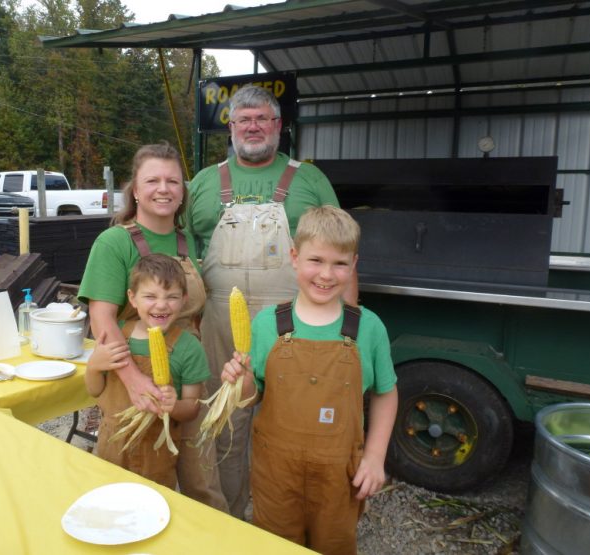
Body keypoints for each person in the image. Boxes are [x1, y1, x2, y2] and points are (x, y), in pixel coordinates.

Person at [186, 84, 356, 518]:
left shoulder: (309, 179)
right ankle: (226, 516)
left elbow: (344, 255)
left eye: (263, 118)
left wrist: (350, 327)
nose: (253, 127)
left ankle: (283, 519)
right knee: (224, 422)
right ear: (232, 127)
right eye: (244, 119)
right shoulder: (205, 182)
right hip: (220, 323)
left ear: (279, 126)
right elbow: (183, 258)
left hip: (294, 322)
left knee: (290, 423)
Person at [221, 206, 398, 554]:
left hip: (338, 477)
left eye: (340, 264)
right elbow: (251, 395)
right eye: (316, 260)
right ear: (295, 257)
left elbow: (386, 393)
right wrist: (238, 381)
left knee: (333, 544)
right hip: (276, 476)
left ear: (354, 265)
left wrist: (376, 456)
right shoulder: (268, 323)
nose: (326, 275)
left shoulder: (368, 327)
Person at [78, 142, 228, 511]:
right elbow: (102, 320)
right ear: (136, 190)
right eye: (153, 180)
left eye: (173, 181)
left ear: (183, 192)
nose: (164, 188)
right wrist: (134, 381)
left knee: (201, 484)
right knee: (131, 482)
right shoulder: (114, 242)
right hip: (134, 381)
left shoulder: (186, 240)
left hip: (186, 377)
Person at [85, 254, 208, 488]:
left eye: (171, 297)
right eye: (150, 296)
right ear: (132, 298)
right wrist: (94, 366)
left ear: (184, 300)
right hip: (111, 446)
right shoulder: (118, 336)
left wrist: (176, 406)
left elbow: (192, 408)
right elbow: (95, 390)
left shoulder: (189, 348)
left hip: (157, 455)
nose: (161, 305)